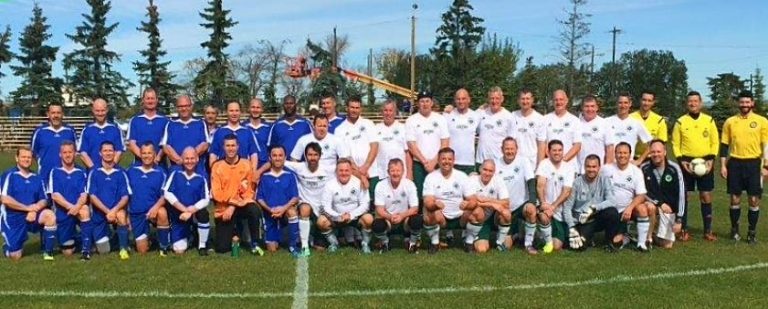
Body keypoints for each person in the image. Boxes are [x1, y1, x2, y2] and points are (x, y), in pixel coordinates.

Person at [720, 90, 768, 244]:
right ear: (738, 104)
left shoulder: (762, 121)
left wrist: (766, 165)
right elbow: (724, 145)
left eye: (747, 102)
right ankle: (734, 230)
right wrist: (722, 166)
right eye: (742, 102)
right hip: (735, 163)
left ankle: (751, 232)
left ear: (752, 103)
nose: (744, 105)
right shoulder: (730, 122)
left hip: (754, 164)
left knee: (754, 199)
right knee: (735, 198)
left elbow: (766, 145)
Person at [671, 91, 719, 241]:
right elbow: (675, 144)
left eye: (695, 101)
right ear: (687, 104)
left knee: (705, 195)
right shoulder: (680, 122)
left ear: (700, 103)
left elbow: (715, 142)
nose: (693, 103)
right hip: (686, 164)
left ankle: (708, 230)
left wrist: (711, 160)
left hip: (705, 163)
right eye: (690, 101)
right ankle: (684, 230)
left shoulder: (709, 121)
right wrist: (681, 161)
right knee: (685, 197)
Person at [210, 134, 264, 254]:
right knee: (222, 248)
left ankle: (255, 242)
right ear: (223, 147)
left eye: (233, 145)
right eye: (228, 145)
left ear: (238, 146)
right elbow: (217, 194)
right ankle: (236, 232)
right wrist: (230, 205)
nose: (230, 148)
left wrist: (233, 206)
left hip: (241, 206)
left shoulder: (247, 164)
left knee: (254, 209)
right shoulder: (217, 167)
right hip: (224, 210)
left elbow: (249, 191)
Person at [1, 147, 57, 261]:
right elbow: (5, 199)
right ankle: (8, 246)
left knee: (49, 215)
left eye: (29, 157)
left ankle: (48, 252)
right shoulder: (9, 175)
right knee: (15, 256)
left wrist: (35, 209)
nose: (26, 160)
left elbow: (44, 200)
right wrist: (27, 209)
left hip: (33, 214)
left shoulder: (37, 177)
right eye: (23, 157)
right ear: (17, 158)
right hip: (13, 217)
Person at [422, 147, 478, 254]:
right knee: (427, 212)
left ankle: (469, 242)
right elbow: (427, 202)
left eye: (449, 159)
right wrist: (435, 205)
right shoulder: (431, 177)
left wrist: (468, 205)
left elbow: (473, 201)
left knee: (478, 212)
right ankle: (435, 243)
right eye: (443, 159)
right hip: (441, 217)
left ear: (454, 160)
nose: (446, 162)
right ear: (438, 160)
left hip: (461, 216)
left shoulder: (462, 176)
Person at [562, 154, 620, 251]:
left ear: (599, 167)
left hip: (596, 217)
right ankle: (586, 237)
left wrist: (594, 208)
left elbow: (612, 201)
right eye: (588, 166)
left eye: (594, 167)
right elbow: (567, 208)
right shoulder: (576, 182)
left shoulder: (604, 180)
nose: (591, 169)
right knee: (578, 247)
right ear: (584, 167)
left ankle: (609, 242)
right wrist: (572, 228)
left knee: (612, 212)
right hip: (581, 221)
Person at [283, 142, 333, 255]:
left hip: (322, 208)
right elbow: (279, 161)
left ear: (320, 156)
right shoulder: (300, 167)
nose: (312, 158)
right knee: (305, 208)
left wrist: (363, 177)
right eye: (310, 155)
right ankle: (305, 246)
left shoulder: (328, 169)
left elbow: (345, 168)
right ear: (305, 156)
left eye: (315, 155)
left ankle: (314, 236)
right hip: (305, 205)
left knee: (320, 248)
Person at [317, 158, 374, 253]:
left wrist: (351, 215)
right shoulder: (329, 185)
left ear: (351, 171)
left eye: (347, 170)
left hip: (355, 218)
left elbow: (365, 205)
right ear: (336, 171)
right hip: (337, 218)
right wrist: (338, 216)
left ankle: (365, 244)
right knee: (321, 221)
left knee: (368, 219)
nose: (344, 173)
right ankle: (334, 243)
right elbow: (325, 206)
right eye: (341, 170)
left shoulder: (359, 183)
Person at [602, 142, 651, 251]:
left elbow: (641, 195)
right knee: (615, 242)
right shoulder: (606, 169)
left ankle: (641, 244)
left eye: (625, 153)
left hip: (628, 211)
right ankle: (624, 236)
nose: (622, 155)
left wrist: (630, 207)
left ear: (630, 154)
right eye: (619, 153)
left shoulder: (636, 171)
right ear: (615, 154)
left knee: (642, 209)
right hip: (610, 211)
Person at [86, 141, 131, 259]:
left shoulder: (121, 172)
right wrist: (107, 211)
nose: (108, 153)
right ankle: (114, 237)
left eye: (110, 151)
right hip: (100, 214)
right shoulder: (94, 172)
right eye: (105, 151)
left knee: (122, 215)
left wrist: (114, 211)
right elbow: (92, 196)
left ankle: (123, 249)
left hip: (116, 212)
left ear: (115, 153)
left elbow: (125, 197)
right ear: (100, 153)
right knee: (103, 250)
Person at [48, 141, 93, 260]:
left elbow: (84, 195)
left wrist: (77, 207)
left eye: (70, 152)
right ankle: (78, 237)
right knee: (67, 252)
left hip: (77, 209)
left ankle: (86, 251)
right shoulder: (55, 171)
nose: (67, 155)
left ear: (75, 153)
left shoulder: (81, 172)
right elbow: (55, 195)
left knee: (85, 210)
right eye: (65, 152)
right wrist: (70, 207)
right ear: (60, 154)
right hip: (64, 213)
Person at [163, 147, 212, 255]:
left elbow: (206, 199)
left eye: (192, 158)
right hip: (178, 214)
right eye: (186, 158)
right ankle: (190, 234)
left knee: (203, 214)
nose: (189, 161)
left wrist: (192, 210)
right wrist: (184, 209)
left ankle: (202, 245)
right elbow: (167, 193)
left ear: (197, 159)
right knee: (178, 250)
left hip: (194, 212)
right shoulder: (175, 173)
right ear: (182, 159)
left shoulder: (202, 175)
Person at [495, 137, 539, 254]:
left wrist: (532, 202)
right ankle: (515, 234)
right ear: (502, 149)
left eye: (512, 149)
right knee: (506, 247)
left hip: (520, 205)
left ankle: (528, 244)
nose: (509, 151)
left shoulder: (523, 161)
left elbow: (531, 181)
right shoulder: (496, 164)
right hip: (505, 208)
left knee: (531, 209)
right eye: (507, 149)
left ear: (517, 149)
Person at [405, 91, 450, 204]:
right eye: (422, 101)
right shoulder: (411, 120)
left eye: (427, 101)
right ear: (417, 103)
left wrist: (434, 161)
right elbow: (411, 145)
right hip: (419, 165)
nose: (425, 104)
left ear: (431, 103)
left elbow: (445, 142)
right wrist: (425, 162)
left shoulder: (440, 119)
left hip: (437, 164)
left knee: (438, 194)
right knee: (420, 195)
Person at [127, 142, 170, 255]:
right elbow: (126, 195)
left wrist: (155, 208)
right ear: (140, 154)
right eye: (144, 153)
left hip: (153, 212)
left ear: (155, 154)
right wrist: (127, 214)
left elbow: (165, 195)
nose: (146, 156)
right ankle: (148, 239)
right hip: (136, 213)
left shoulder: (161, 173)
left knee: (162, 212)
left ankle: (163, 246)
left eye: (149, 153)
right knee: (142, 250)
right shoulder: (131, 171)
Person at [256, 145, 300, 256]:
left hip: (285, 212)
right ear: (269, 158)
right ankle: (277, 236)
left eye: (280, 155)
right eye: (274, 155)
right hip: (270, 214)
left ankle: (293, 245)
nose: (277, 158)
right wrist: (270, 209)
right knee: (272, 249)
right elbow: (260, 198)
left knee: (292, 212)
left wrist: (283, 209)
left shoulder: (290, 175)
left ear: (285, 157)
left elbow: (295, 197)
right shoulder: (264, 176)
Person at [641, 140, 685, 249]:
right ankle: (647, 237)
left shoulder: (674, 168)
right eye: (653, 152)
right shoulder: (644, 168)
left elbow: (682, 194)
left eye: (659, 151)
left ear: (665, 152)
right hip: (654, 205)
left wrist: (679, 219)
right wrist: (659, 204)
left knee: (667, 245)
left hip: (669, 209)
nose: (656, 154)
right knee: (649, 207)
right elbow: (641, 192)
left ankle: (653, 234)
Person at [335, 96, 380, 199]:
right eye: (352, 107)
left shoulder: (369, 124)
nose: (354, 110)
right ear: (347, 108)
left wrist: (366, 167)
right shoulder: (339, 130)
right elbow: (345, 156)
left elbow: (374, 146)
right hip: (352, 174)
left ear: (360, 109)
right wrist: (359, 173)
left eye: (357, 108)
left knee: (374, 204)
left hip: (371, 172)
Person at [372, 158, 421, 253]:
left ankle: (413, 243)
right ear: (388, 172)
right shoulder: (380, 185)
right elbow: (379, 209)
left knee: (417, 219)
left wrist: (402, 216)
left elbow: (415, 208)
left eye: (398, 170)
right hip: (389, 220)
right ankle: (385, 243)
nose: (395, 173)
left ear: (403, 171)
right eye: (392, 170)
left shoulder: (409, 184)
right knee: (377, 224)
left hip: (405, 220)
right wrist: (390, 216)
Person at [535, 140, 576, 253]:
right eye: (554, 150)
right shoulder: (544, 164)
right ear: (548, 152)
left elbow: (566, 191)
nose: (557, 153)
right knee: (543, 217)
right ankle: (538, 236)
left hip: (559, 210)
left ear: (563, 151)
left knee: (557, 246)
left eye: (560, 150)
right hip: (545, 208)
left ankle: (543, 238)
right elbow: (540, 186)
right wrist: (544, 204)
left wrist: (553, 207)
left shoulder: (569, 167)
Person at [161, 95, 209, 175]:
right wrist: (180, 160)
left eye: (186, 106)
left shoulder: (201, 123)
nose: (183, 109)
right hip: (176, 171)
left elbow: (205, 144)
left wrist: (190, 159)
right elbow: (166, 146)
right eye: (180, 106)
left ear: (191, 106)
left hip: (197, 171)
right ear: (177, 108)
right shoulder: (170, 124)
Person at [471, 160, 511, 253]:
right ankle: (469, 236)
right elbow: (470, 202)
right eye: (485, 169)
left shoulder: (498, 180)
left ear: (494, 172)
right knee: (481, 249)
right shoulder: (473, 180)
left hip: (494, 217)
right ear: (480, 169)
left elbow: (506, 202)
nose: (487, 173)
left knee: (506, 213)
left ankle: (500, 243)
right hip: (479, 219)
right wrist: (493, 204)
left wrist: (487, 200)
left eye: (490, 171)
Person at [31, 103, 77, 180]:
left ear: (62, 114)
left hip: (66, 177)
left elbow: (75, 151)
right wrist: (42, 163)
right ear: (48, 114)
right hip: (45, 176)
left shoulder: (70, 131)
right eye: (53, 113)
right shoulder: (39, 131)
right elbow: (33, 152)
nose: (56, 116)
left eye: (58, 113)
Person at [209, 101, 260, 172]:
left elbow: (254, 155)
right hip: (224, 174)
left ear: (240, 112)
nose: (234, 113)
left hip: (243, 174)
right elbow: (213, 155)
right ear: (226, 112)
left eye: (237, 111)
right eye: (231, 111)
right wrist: (214, 173)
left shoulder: (248, 132)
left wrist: (252, 173)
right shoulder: (219, 132)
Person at [605, 92, 652, 164]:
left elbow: (651, 144)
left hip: (628, 166)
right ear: (616, 104)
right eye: (620, 103)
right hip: (610, 165)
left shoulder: (636, 123)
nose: (623, 105)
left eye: (625, 103)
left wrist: (639, 161)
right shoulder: (606, 121)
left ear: (630, 104)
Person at [127, 88, 169, 167]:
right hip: (139, 165)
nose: (150, 101)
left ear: (157, 100)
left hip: (159, 164)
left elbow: (166, 144)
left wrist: (157, 158)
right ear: (143, 100)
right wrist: (145, 158)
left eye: (152, 98)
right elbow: (132, 144)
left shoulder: (165, 120)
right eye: (148, 98)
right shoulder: (135, 120)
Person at [78, 98, 124, 169]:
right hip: (93, 173)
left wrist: (110, 167)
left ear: (107, 110)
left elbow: (119, 151)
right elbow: (83, 153)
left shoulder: (115, 129)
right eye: (97, 111)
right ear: (93, 110)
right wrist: (94, 169)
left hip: (111, 172)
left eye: (102, 110)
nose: (100, 113)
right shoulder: (87, 129)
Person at [542, 90, 582, 167]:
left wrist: (562, 162)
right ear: (552, 102)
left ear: (566, 101)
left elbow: (577, 145)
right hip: (550, 165)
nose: (558, 102)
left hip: (569, 166)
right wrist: (553, 160)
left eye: (561, 99)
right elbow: (544, 143)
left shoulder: (575, 120)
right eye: (556, 100)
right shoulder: (545, 119)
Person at [475, 87, 511, 170]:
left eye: (497, 98)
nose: (494, 101)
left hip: (499, 162)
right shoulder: (480, 113)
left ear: (502, 99)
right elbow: (466, 120)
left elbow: (512, 141)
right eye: (492, 98)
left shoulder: (508, 117)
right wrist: (452, 110)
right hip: (481, 161)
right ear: (488, 99)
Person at [375, 99, 412, 179]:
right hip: (382, 173)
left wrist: (409, 173)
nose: (388, 113)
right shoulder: (375, 129)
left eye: (390, 110)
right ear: (382, 112)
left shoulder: (403, 128)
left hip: (400, 174)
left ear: (395, 112)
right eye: (385, 110)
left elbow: (407, 153)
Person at [446, 88, 480, 174]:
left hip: (469, 162)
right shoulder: (447, 115)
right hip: (451, 162)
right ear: (455, 100)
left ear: (469, 99)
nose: (461, 101)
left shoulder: (476, 116)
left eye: (463, 98)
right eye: (458, 99)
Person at [510, 88, 546, 167]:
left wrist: (540, 167)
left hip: (532, 165)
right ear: (518, 100)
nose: (525, 101)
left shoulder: (540, 119)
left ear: (532, 100)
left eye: (528, 99)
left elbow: (541, 145)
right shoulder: (512, 116)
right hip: (515, 164)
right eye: (523, 99)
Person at [578, 95, 614, 171]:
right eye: (586, 106)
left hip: (598, 172)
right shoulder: (575, 123)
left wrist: (607, 170)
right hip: (577, 170)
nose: (589, 109)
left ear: (597, 108)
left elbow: (610, 148)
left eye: (592, 106)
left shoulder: (605, 124)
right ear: (582, 108)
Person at [630, 90, 668, 158]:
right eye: (644, 100)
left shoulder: (659, 120)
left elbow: (662, 144)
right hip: (633, 158)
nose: (646, 103)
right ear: (640, 100)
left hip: (653, 158)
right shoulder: (630, 118)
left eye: (649, 101)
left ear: (653, 102)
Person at [244, 98, 272, 169]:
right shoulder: (242, 127)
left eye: (258, 107)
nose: (255, 110)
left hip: (265, 165)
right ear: (249, 109)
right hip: (247, 164)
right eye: (253, 107)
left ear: (262, 109)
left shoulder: (269, 127)